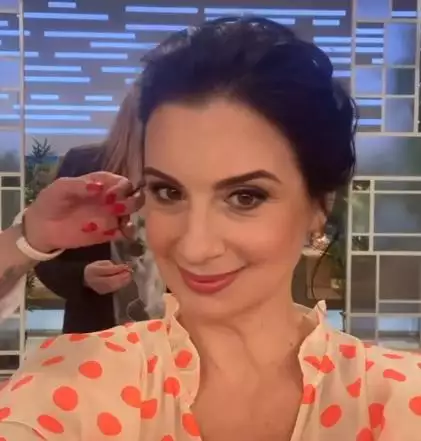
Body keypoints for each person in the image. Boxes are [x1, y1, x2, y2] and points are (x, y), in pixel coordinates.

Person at [0, 16, 420, 441]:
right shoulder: (73, 384)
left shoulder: (397, 400)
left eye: (245, 197)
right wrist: (24, 240)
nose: (195, 247)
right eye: (168, 192)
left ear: (319, 206)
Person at [34, 82, 151, 333]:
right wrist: (83, 276)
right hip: (95, 335)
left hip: (181, 339)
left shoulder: (193, 175)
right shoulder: (84, 166)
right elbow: (43, 259)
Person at [0, 172, 143, 322]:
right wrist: (81, 276)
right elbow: (46, 265)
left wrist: (36, 234)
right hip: (94, 323)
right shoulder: (83, 167)